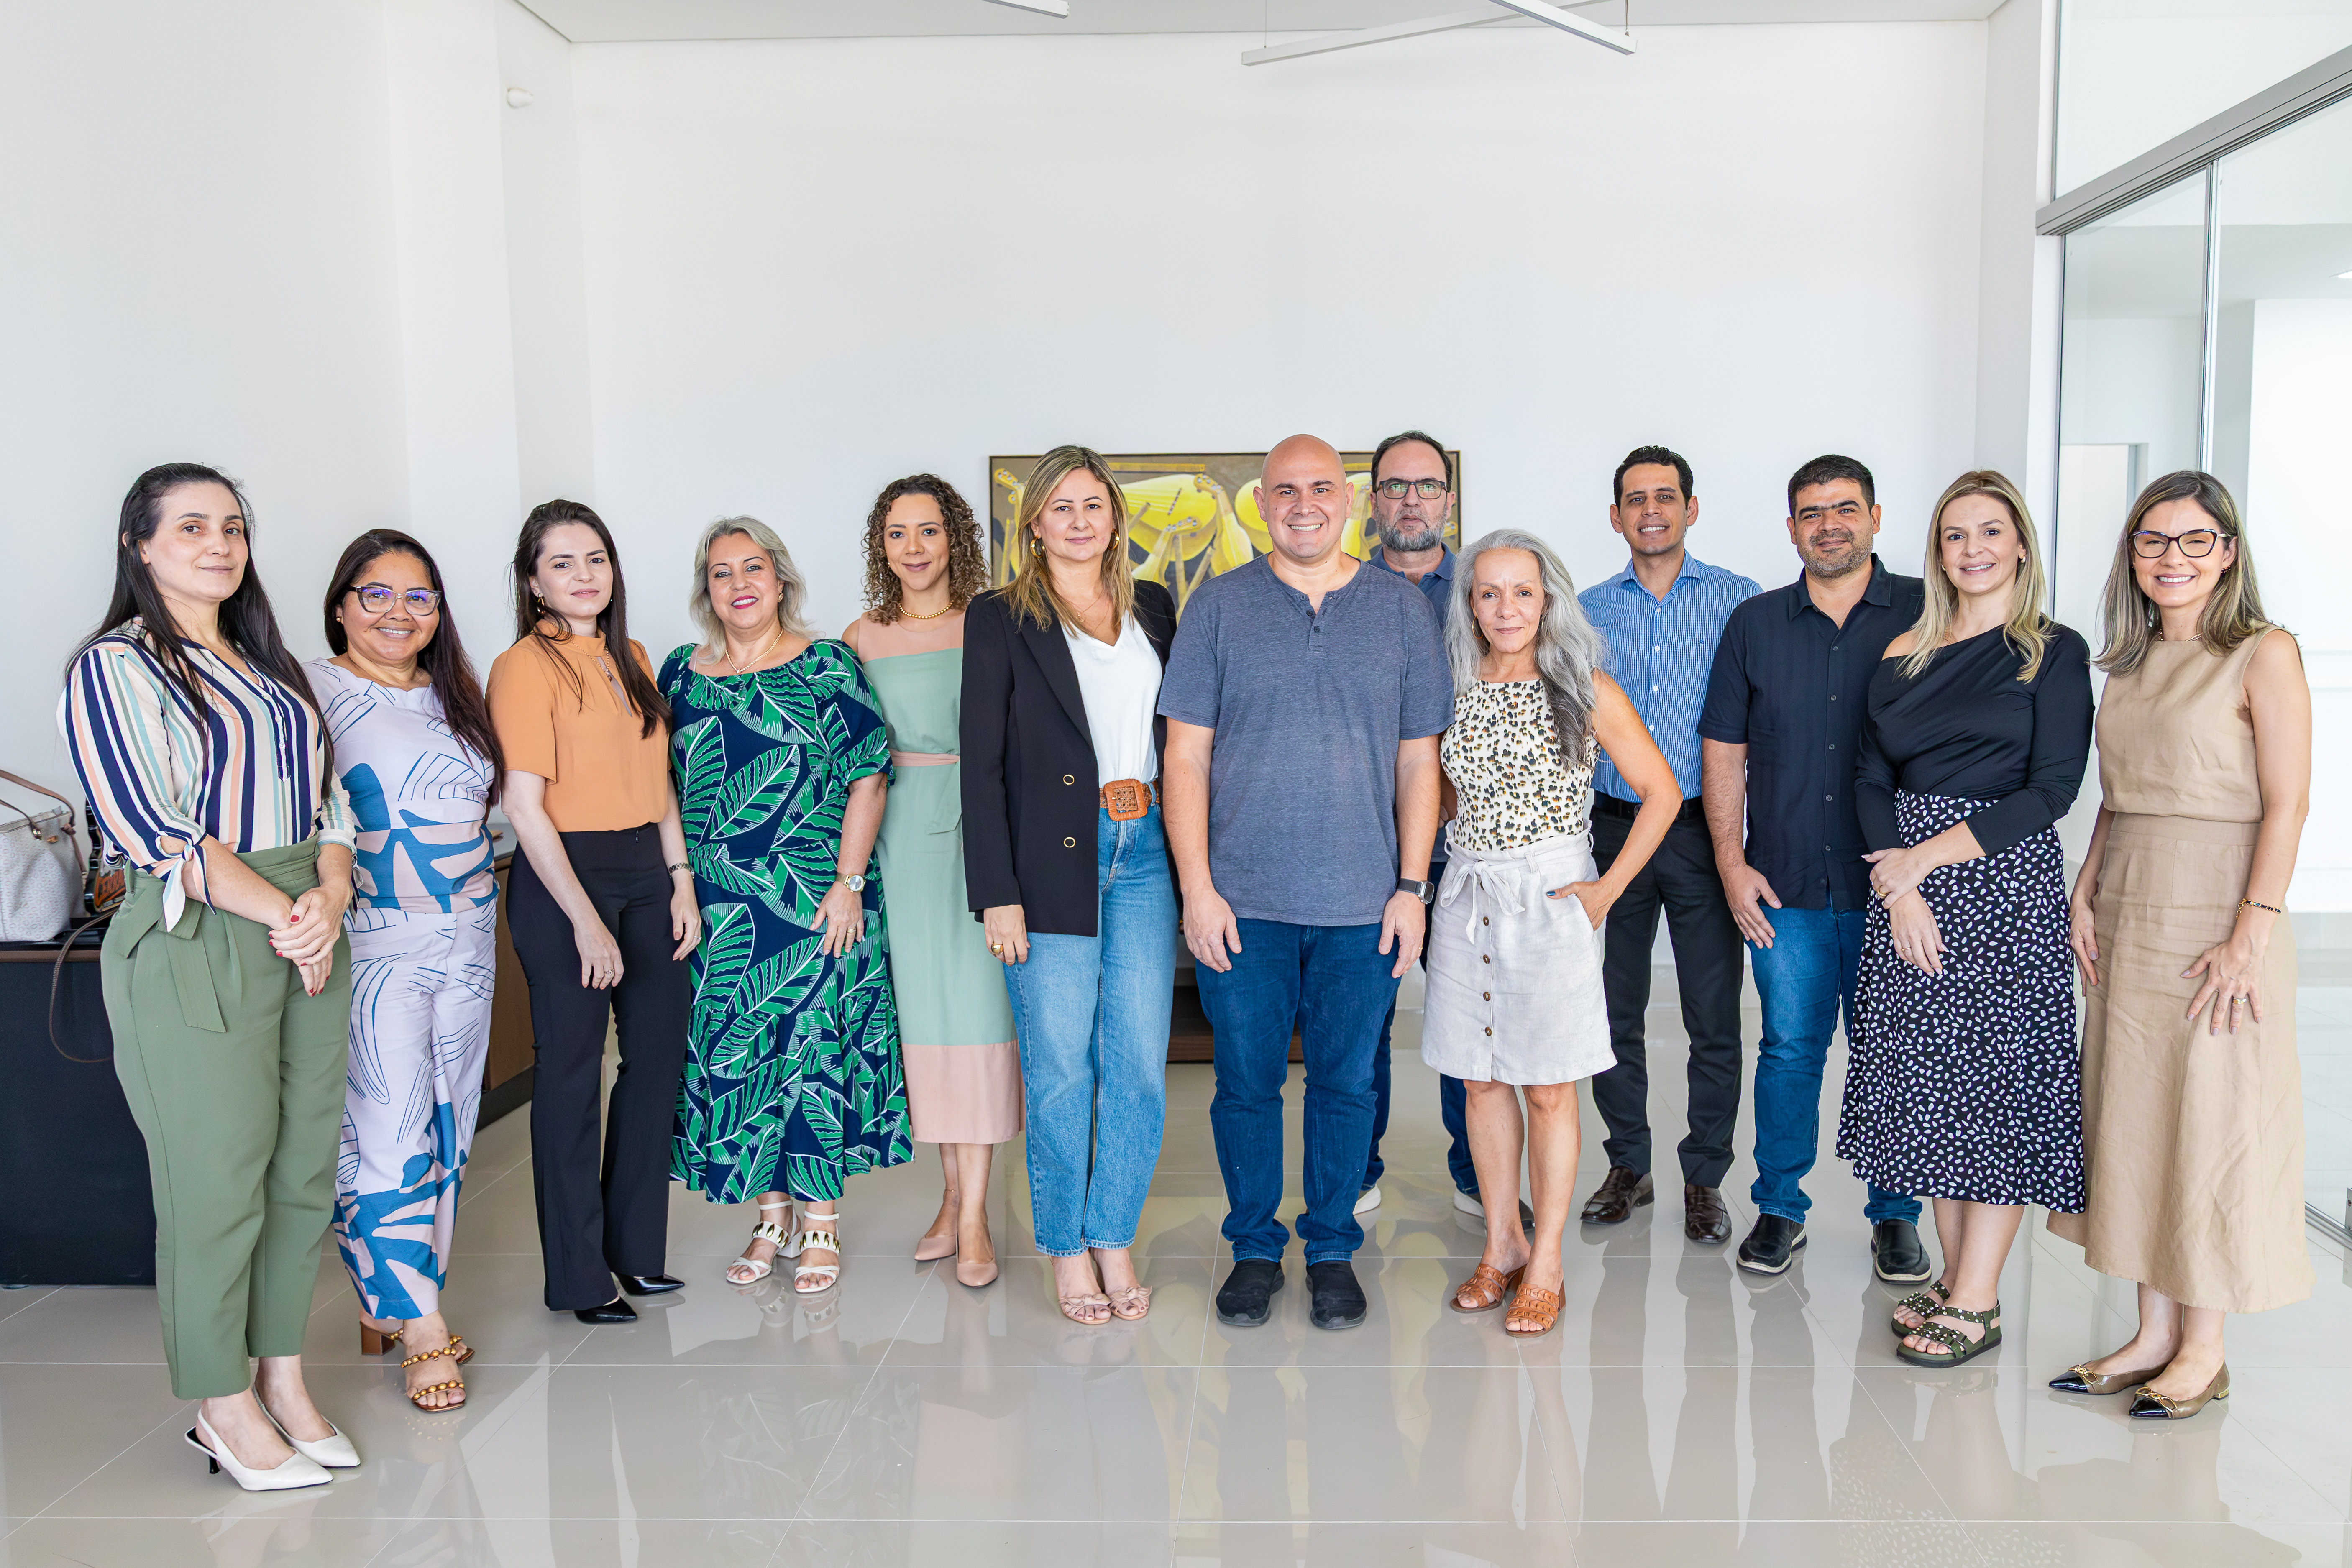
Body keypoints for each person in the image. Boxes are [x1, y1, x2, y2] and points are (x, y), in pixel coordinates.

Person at [65, 463, 360, 1490]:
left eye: (232, 527)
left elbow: (330, 806)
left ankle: (282, 1375)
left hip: (307, 923)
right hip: (204, 926)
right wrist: (286, 914)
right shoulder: (117, 667)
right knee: (216, 1181)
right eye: (190, 527)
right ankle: (220, 1401)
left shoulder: (269, 667)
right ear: (139, 545)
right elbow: (157, 831)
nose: (219, 544)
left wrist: (328, 898)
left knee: (300, 1172)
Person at [1160, 433, 1450, 1332]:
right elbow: (1185, 758)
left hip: (1363, 905)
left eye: (1321, 488)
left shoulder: (1401, 613)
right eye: (1285, 491)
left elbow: (1420, 762)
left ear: (1349, 500)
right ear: (1261, 504)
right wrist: (1197, 890)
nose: (1303, 505)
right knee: (1245, 1085)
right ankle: (1254, 1247)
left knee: (1345, 1085)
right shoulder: (1217, 607)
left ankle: (1331, 1249)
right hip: (1241, 905)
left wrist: (1411, 888)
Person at [2049, 471, 2311, 1419]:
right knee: (2135, 1114)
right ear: (2132, 554)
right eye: (2154, 540)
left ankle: (2204, 1348)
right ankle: (2152, 1333)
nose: (2173, 558)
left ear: (2228, 553)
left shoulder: (2264, 652)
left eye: (2195, 540)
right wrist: (2085, 888)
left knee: (2209, 1118)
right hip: (2131, 898)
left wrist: (2252, 931)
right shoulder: (2128, 660)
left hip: (2218, 901)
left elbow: (2288, 803)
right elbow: (2118, 796)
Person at [1835, 471, 2093, 1367]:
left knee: (1995, 1095)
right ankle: (1953, 1281)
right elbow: (1870, 777)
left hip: (2001, 888)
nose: (1973, 549)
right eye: (1955, 534)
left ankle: (1979, 1300)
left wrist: (1925, 859)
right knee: (1934, 1095)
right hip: (1906, 891)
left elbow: (2051, 790)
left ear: (2020, 544)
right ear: (1937, 551)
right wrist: (1900, 885)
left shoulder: (2053, 652)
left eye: (1990, 531)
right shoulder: (1904, 648)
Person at [1427, 530, 1680, 1337]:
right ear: (1470, 604)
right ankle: (1501, 1242)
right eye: (1489, 592)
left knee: (1546, 1085)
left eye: (1523, 592)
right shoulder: (1451, 685)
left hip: (1548, 899)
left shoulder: (1584, 686)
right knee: (1480, 1080)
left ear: (1548, 601)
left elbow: (1663, 791)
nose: (1506, 608)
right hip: (1468, 895)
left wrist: (1608, 888)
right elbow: (1443, 795)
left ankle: (1546, 1261)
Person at [662, 517, 908, 1295]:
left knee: (812, 1055)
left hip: (815, 898)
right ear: (706, 589)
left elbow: (870, 774)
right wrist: (678, 882)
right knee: (739, 1055)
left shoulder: (826, 665)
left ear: (780, 581)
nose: (739, 584)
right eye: (722, 572)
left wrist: (849, 882)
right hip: (719, 909)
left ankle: (821, 1222)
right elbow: (658, 786)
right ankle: (771, 1217)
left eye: (753, 568)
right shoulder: (680, 675)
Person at [1699, 455, 1929, 1281]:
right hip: (1785, 884)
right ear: (1792, 527)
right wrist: (1731, 861)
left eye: (1845, 508)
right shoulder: (1755, 623)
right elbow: (1722, 751)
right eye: (1811, 512)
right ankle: (1779, 1208)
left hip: (1895, 887)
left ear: (1876, 517)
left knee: (1892, 1053)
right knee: (1790, 1050)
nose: (1829, 524)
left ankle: (1896, 1215)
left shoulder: (1928, 610)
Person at [964, 445, 1180, 1324]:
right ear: (1034, 526)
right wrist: (997, 892)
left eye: (1093, 505)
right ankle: (1064, 1246)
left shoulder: (1154, 606)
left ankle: (1112, 1235)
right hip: (1051, 858)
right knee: (1060, 1067)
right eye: (1061, 507)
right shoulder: (999, 617)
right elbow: (981, 763)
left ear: (1115, 519)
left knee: (1137, 1065)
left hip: (1148, 850)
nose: (1080, 521)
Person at [489, 500, 699, 1325]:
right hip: (564, 879)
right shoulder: (522, 666)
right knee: (572, 1078)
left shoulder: (632, 656)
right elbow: (524, 805)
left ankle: (635, 1252)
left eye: (596, 559)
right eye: (563, 563)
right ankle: (580, 1278)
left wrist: (680, 879)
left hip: (648, 871)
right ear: (534, 582)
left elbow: (661, 784)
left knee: (656, 1065)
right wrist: (584, 918)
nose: (584, 576)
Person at [311, 530, 502, 1411]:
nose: (399, 612)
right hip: (376, 942)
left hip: (471, 936)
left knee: (449, 1126)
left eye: (419, 596)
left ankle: (392, 1298)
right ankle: (421, 1325)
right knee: (386, 1127)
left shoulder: (454, 693)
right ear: (341, 605)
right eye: (376, 594)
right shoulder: (311, 692)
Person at [1575, 446, 1759, 1243]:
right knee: (1611, 1008)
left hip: (1701, 832)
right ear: (1616, 516)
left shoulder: (1738, 601)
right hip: (1611, 830)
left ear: (1691, 508)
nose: (1651, 510)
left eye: (1665, 496)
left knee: (1712, 1014)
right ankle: (1629, 1165)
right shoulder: (1584, 610)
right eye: (1635, 499)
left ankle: (1704, 1176)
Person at [844, 475, 1017, 1289]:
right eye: (896, 534)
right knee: (927, 1024)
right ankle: (951, 1199)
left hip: (980, 830)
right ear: (880, 548)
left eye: (928, 530)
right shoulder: (860, 638)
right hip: (899, 839)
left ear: (956, 537)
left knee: (977, 1017)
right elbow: (845, 754)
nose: (913, 548)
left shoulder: (993, 621)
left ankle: (975, 1216)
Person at [1357, 429, 1487, 1224]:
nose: (1412, 500)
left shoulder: (1486, 590)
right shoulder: (1342, 591)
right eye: (1395, 486)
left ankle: (1478, 1173)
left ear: (1449, 499)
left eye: (1427, 486)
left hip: (1469, 847)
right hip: (1370, 846)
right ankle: (1356, 1167)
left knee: (1469, 1017)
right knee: (1363, 1023)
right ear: (1373, 500)